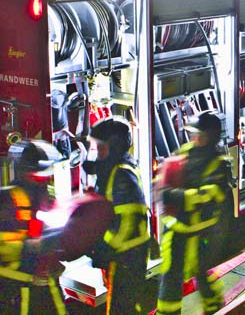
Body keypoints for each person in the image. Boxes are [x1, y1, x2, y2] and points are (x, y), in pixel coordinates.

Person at [0, 140, 69, 315]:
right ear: (25, 172)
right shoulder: (9, 199)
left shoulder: (43, 195)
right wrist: (36, 246)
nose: (45, 178)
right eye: (40, 174)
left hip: (40, 284)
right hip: (12, 288)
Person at [157, 112, 231, 315]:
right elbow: (169, 174)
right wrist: (164, 188)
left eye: (200, 135)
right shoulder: (187, 151)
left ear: (212, 137)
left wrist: (177, 196)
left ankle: (215, 308)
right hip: (176, 228)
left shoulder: (219, 164)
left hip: (202, 232)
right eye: (193, 134)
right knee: (171, 275)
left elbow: (211, 194)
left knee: (201, 273)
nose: (194, 139)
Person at [85, 117, 150, 314]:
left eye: (101, 147)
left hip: (126, 257)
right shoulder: (114, 169)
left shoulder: (121, 175)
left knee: (121, 309)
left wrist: (101, 247)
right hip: (124, 256)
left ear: (114, 147)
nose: (97, 152)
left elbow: (127, 222)